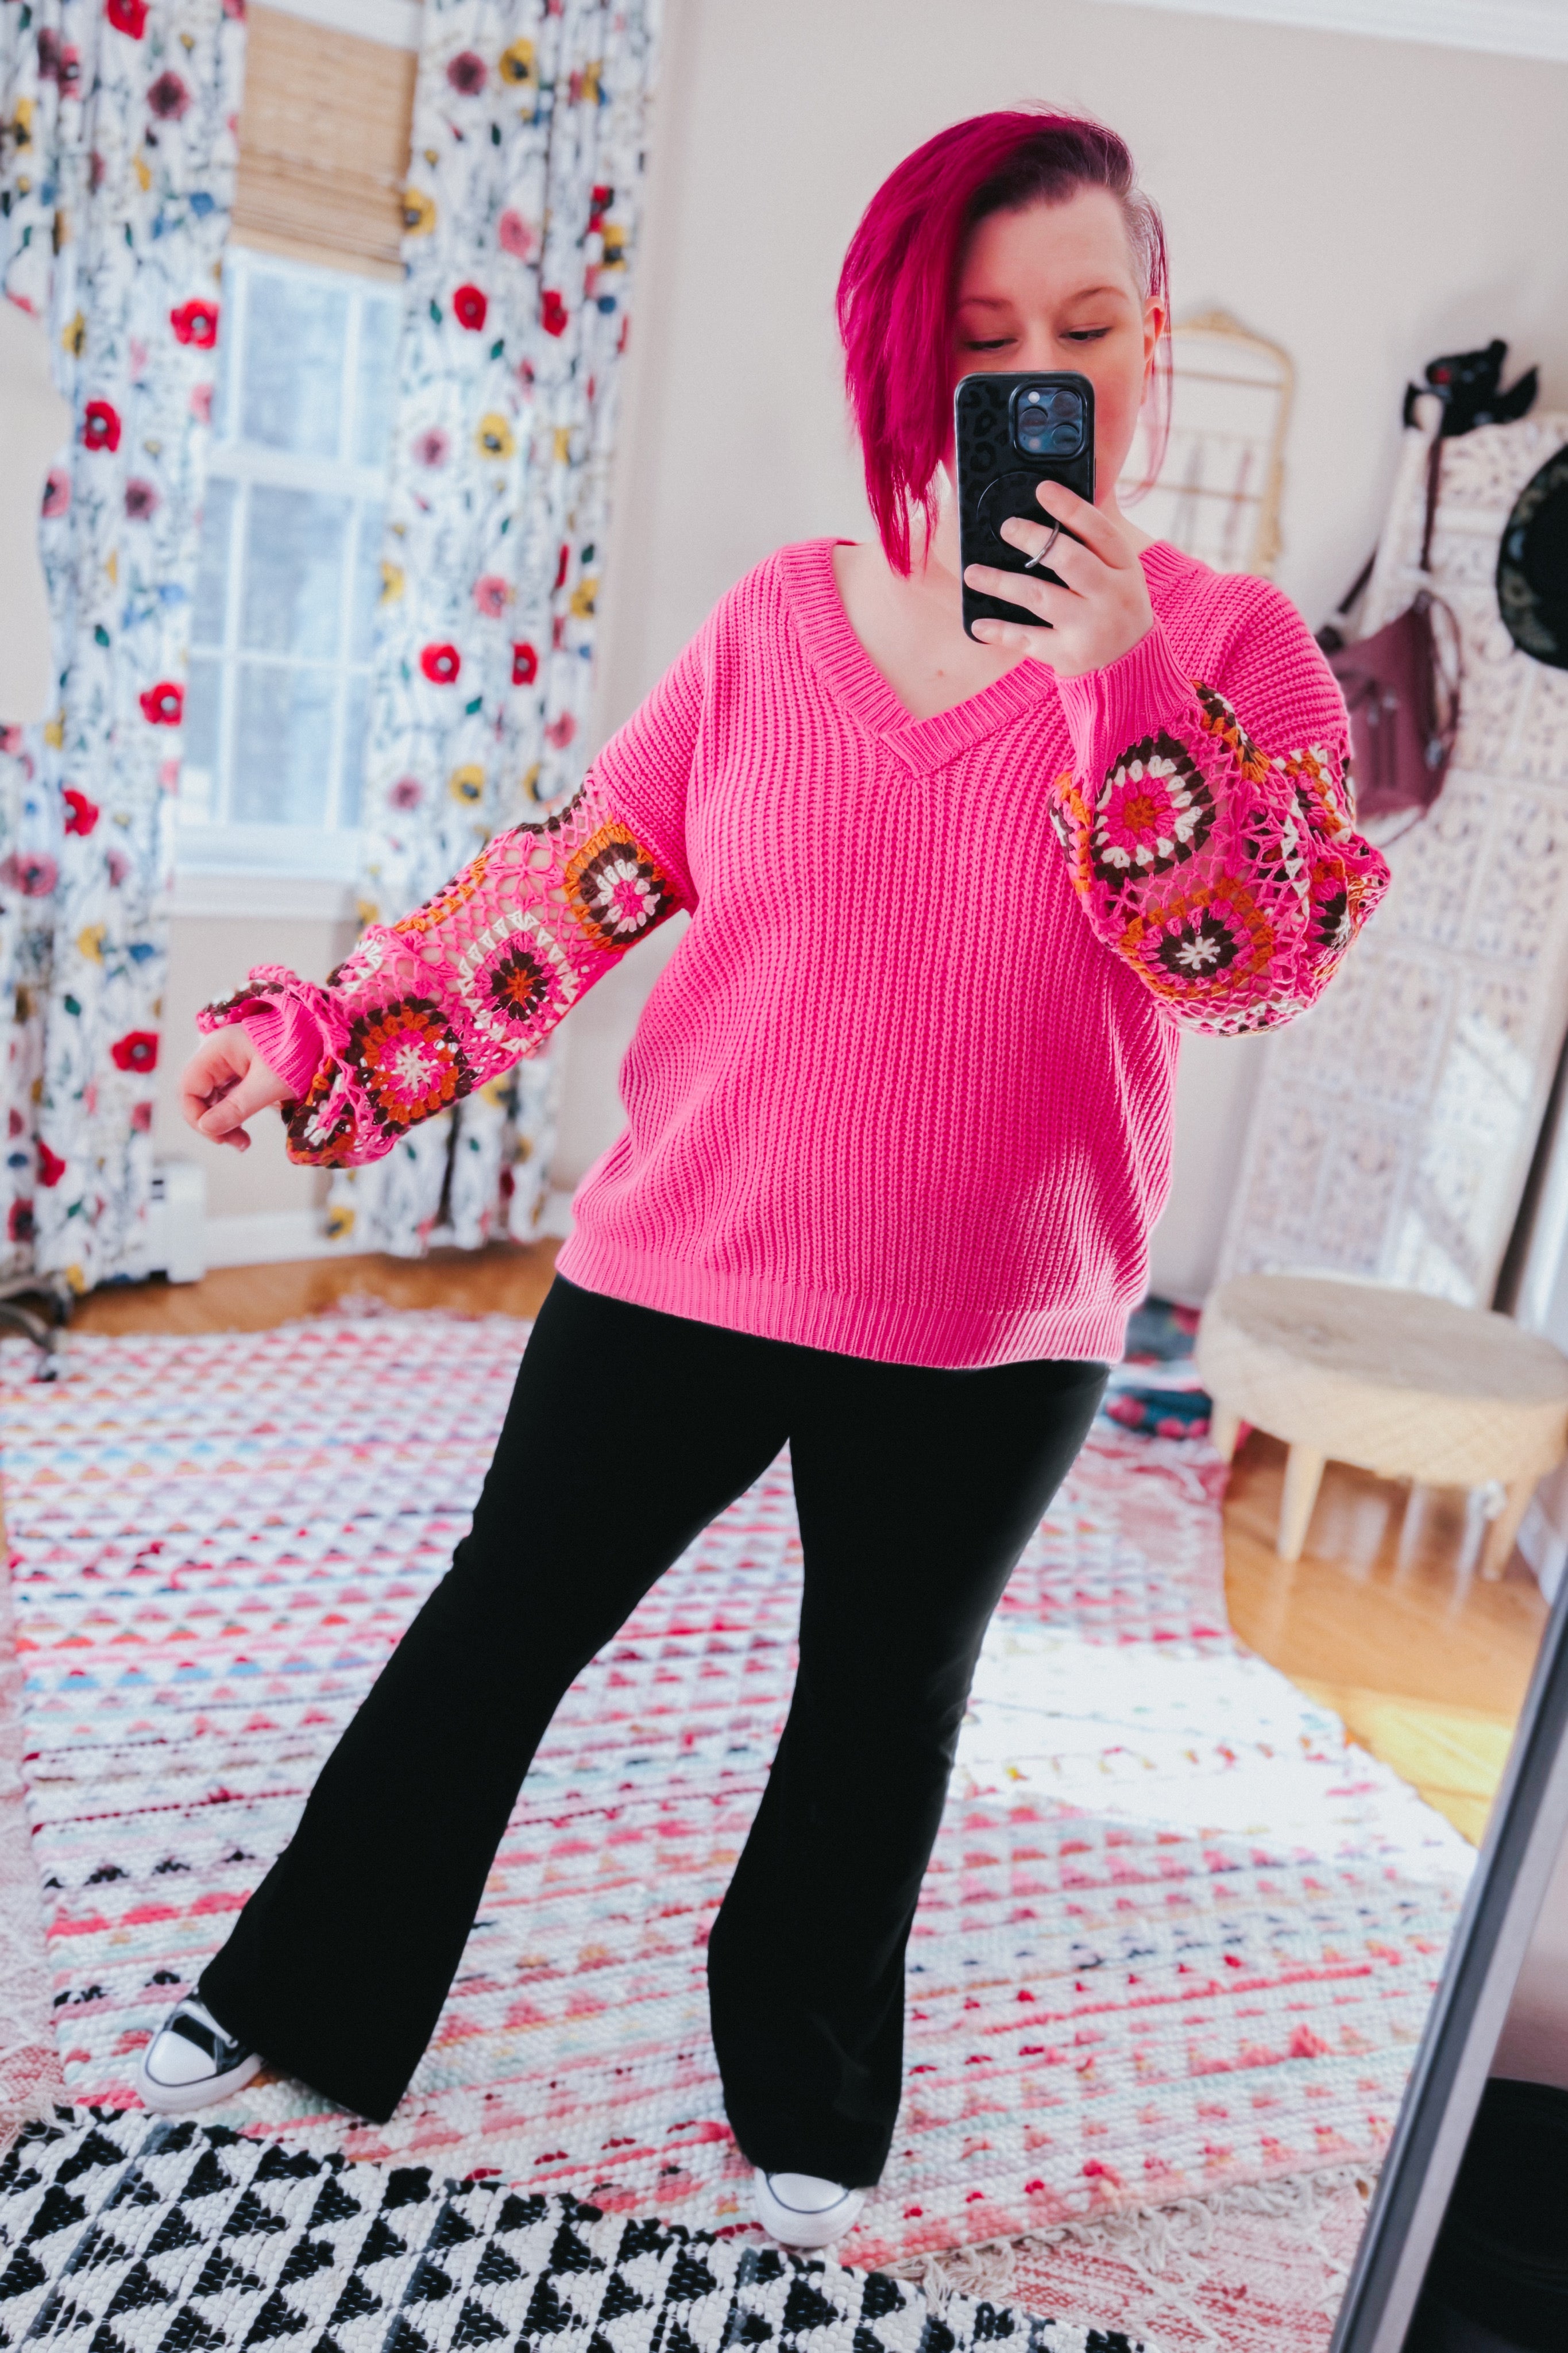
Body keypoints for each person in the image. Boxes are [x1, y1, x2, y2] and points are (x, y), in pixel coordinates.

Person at [140, 107, 1389, 2250]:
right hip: (678, 1265)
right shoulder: (775, 630)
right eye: (990, 330)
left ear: (1152, 338)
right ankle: (305, 1995)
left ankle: (804, 2084)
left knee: (872, 1718)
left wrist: (1114, 682)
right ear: (909, 353)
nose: (1044, 372)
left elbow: (1254, 957)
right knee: (496, 1632)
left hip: (998, 1322)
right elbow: (562, 893)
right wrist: (320, 1043)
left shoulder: (1236, 645)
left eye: (1089, 326)